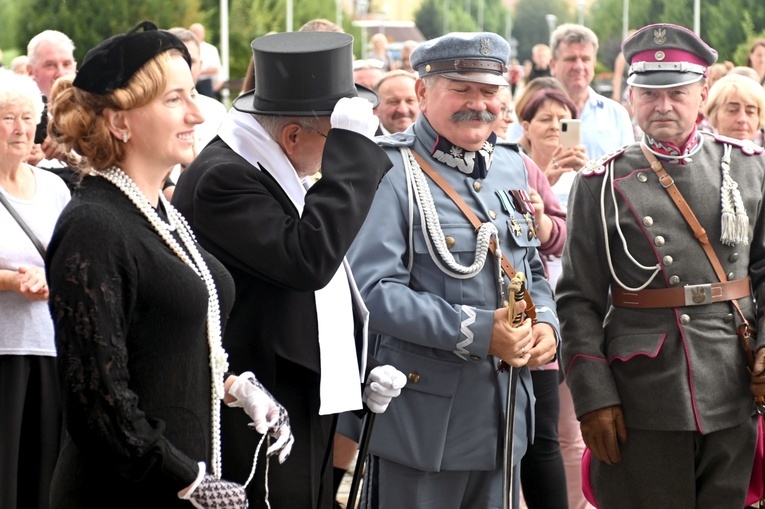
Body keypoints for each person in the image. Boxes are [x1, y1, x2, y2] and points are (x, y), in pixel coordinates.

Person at [46, 21, 293, 508]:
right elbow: (97, 400)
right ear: (120, 121)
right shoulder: (94, 224)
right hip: (123, 492)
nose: (198, 113)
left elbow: (158, 349)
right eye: (174, 99)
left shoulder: (158, 211)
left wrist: (236, 387)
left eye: (192, 94)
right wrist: (186, 479)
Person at [172, 31, 406, 509]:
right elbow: (308, 260)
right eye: (333, 140)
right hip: (257, 405)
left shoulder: (261, 165)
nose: (333, 156)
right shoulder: (225, 177)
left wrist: (358, 367)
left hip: (298, 395)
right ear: (293, 135)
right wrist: (354, 156)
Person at [347, 32, 559, 509]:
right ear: (423, 93)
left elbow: (530, 271)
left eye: (488, 92)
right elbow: (372, 293)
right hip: (424, 428)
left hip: (503, 417)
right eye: (461, 89)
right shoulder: (390, 170)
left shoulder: (510, 167)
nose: (478, 104)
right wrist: (481, 331)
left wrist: (546, 322)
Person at [558, 23, 765, 508]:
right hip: (642, 395)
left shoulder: (750, 167)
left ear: (703, 92)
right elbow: (577, 300)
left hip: (732, 384)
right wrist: (593, 395)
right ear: (630, 97)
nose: (663, 105)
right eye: (649, 93)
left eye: (677, 92)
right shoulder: (599, 183)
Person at [0, 68, 70, 509]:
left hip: (50, 348)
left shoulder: (54, 187)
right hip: (3, 349)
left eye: (29, 116)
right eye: (9, 117)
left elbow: (72, 257)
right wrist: (11, 280)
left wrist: (54, 277)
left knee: (45, 476)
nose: (23, 128)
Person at [163, 27, 228, 200]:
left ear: (201, 65)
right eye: (180, 60)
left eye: (191, 60)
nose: (186, 67)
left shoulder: (216, 111)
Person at [25, 30, 79, 189]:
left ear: (75, 66)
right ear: (30, 71)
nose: (61, 73)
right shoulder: (19, 120)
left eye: (67, 64)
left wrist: (70, 156)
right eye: (50, 65)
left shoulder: (96, 113)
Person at [705, 73, 765, 144]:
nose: (742, 119)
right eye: (732, 110)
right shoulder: (700, 153)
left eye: (750, 112)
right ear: (714, 115)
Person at [374, 69, 418, 135]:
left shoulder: (434, 139)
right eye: (393, 102)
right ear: (376, 108)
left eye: (410, 101)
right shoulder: (364, 142)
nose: (403, 110)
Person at [189, 23, 222, 98]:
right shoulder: (186, 47)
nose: (195, 35)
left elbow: (216, 69)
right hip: (189, 83)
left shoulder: (210, 49)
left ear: (203, 34)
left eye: (197, 32)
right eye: (193, 32)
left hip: (205, 84)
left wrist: (198, 71)